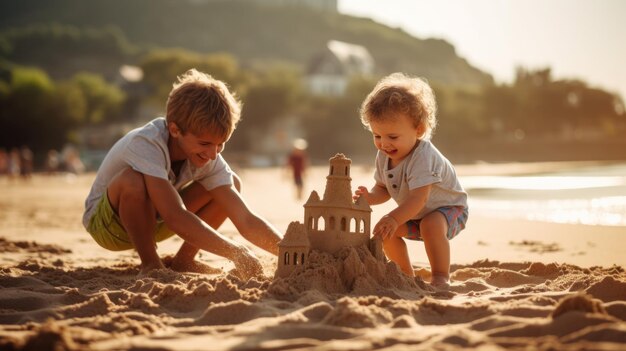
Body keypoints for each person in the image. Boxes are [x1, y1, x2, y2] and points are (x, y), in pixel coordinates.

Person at [82, 69, 282, 277]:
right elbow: (174, 216)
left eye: (220, 145)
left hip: (157, 222)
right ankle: (151, 264)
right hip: (109, 226)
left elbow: (246, 220)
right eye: (204, 143)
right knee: (132, 180)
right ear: (175, 130)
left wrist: (295, 253)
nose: (213, 155)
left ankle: (183, 262)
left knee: (231, 183)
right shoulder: (146, 142)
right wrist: (236, 252)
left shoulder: (206, 155)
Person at [354, 73, 468, 287]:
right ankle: (405, 276)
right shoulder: (384, 156)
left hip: (450, 210)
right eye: (377, 136)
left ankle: (441, 276)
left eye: (392, 137)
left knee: (431, 224)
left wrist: (394, 217)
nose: (384, 143)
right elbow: (383, 188)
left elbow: (418, 198)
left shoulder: (423, 156)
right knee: (385, 232)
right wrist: (370, 197)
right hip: (415, 214)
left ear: (419, 130)